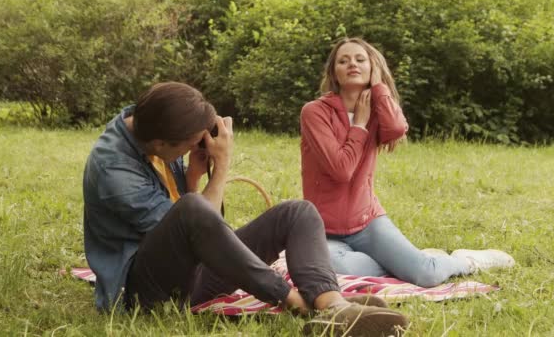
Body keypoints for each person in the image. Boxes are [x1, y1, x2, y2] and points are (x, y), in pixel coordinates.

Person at [82, 81, 409, 336]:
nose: (194, 147)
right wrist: (220, 167)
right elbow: (193, 223)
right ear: (160, 144)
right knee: (194, 208)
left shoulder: (150, 120)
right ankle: (299, 305)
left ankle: (331, 304)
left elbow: (195, 227)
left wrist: (193, 176)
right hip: (145, 292)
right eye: (187, 144)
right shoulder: (114, 172)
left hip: (187, 269)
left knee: (298, 211)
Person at [300, 38, 515, 287]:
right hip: (324, 230)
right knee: (340, 269)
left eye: (360, 59)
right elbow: (341, 170)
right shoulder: (314, 112)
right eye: (343, 60)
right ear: (334, 72)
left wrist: (379, 87)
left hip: (367, 221)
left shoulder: (378, 110)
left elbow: (397, 128)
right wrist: (359, 124)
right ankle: (411, 261)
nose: (352, 64)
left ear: (373, 68)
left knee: (427, 275)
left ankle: (466, 260)